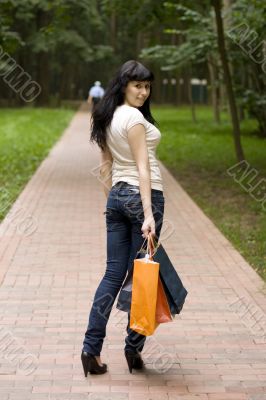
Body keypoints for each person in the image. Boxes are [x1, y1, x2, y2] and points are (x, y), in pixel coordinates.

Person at [81, 60, 165, 376]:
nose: (143, 92)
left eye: (147, 86)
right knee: (144, 276)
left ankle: (91, 350)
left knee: (113, 275)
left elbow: (105, 166)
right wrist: (147, 214)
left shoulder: (106, 116)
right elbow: (143, 167)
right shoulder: (133, 119)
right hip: (145, 197)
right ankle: (132, 349)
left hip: (117, 196)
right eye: (137, 86)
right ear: (124, 85)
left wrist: (112, 204)